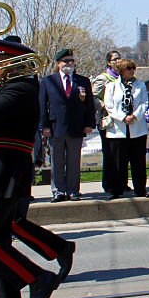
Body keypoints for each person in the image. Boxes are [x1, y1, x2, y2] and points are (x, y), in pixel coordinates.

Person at [0, 38, 60, 298]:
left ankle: (38, 278)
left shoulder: (21, 88)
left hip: (0, 174)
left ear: (8, 63)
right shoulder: (4, 89)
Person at [38, 48, 95, 202]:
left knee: (74, 161)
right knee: (57, 161)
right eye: (66, 61)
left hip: (76, 126)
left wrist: (89, 124)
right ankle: (58, 191)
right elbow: (43, 106)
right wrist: (44, 126)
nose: (69, 64)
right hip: (55, 127)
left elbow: (90, 104)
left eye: (72, 61)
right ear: (58, 63)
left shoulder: (82, 81)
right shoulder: (48, 81)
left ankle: (73, 190)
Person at [103, 59, 149, 199]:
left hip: (137, 129)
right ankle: (117, 189)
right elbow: (109, 105)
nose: (131, 71)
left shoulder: (140, 85)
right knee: (118, 162)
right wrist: (123, 117)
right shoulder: (112, 86)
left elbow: (144, 103)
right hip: (118, 130)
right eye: (129, 68)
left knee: (138, 162)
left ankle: (140, 189)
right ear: (121, 71)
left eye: (133, 68)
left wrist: (135, 116)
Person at [91, 49, 121, 195]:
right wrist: (104, 105)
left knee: (121, 154)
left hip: (121, 121)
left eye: (119, 59)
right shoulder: (102, 78)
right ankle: (108, 184)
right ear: (109, 62)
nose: (117, 62)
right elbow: (94, 97)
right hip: (107, 120)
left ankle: (121, 182)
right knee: (109, 154)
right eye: (114, 59)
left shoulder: (123, 77)